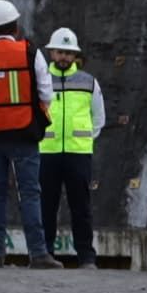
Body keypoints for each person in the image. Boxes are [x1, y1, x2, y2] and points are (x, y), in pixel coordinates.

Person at [0, 0, 52, 263]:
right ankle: (38, 253)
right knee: (29, 192)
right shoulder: (31, 52)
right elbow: (46, 94)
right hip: (25, 131)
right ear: (16, 27)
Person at [38, 26, 102, 264]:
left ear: (75, 56)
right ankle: (45, 253)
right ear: (51, 53)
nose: (63, 57)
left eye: (68, 52)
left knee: (81, 208)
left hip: (78, 153)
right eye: (59, 52)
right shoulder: (42, 80)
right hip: (48, 151)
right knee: (46, 206)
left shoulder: (88, 82)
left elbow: (99, 118)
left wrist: (83, 139)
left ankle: (86, 256)